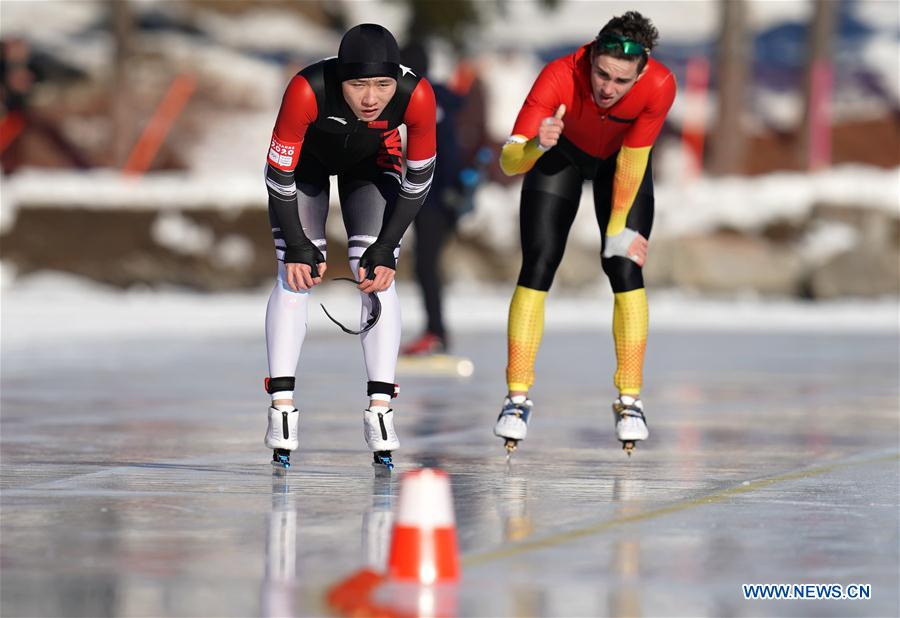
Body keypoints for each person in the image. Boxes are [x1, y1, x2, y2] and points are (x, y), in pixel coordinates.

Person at [491, 11, 676, 455]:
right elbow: (509, 161)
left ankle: (630, 400)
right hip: (561, 156)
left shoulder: (660, 86)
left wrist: (616, 233)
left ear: (642, 72)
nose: (608, 88)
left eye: (621, 81)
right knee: (538, 262)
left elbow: (633, 160)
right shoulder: (558, 76)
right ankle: (517, 397)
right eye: (601, 74)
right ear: (591, 56)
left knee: (625, 265)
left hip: (620, 163)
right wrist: (538, 143)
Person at [262, 24, 436, 468]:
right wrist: (298, 244)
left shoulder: (416, 95)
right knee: (294, 272)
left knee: (375, 273)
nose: (372, 98)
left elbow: (419, 181)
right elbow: (278, 176)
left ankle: (381, 409)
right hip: (306, 166)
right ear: (339, 79)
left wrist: (388, 244)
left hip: (372, 163)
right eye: (358, 84)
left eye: (382, 84)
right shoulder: (306, 89)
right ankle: (281, 407)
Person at [398, 43, 488, 356]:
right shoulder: (439, 94)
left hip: (437, 198)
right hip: (434, 196)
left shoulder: (427, 99)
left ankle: (436, 332)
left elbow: (446, 149)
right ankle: (435, 330)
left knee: (426, 264)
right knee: (426, 265)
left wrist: (453, 189)